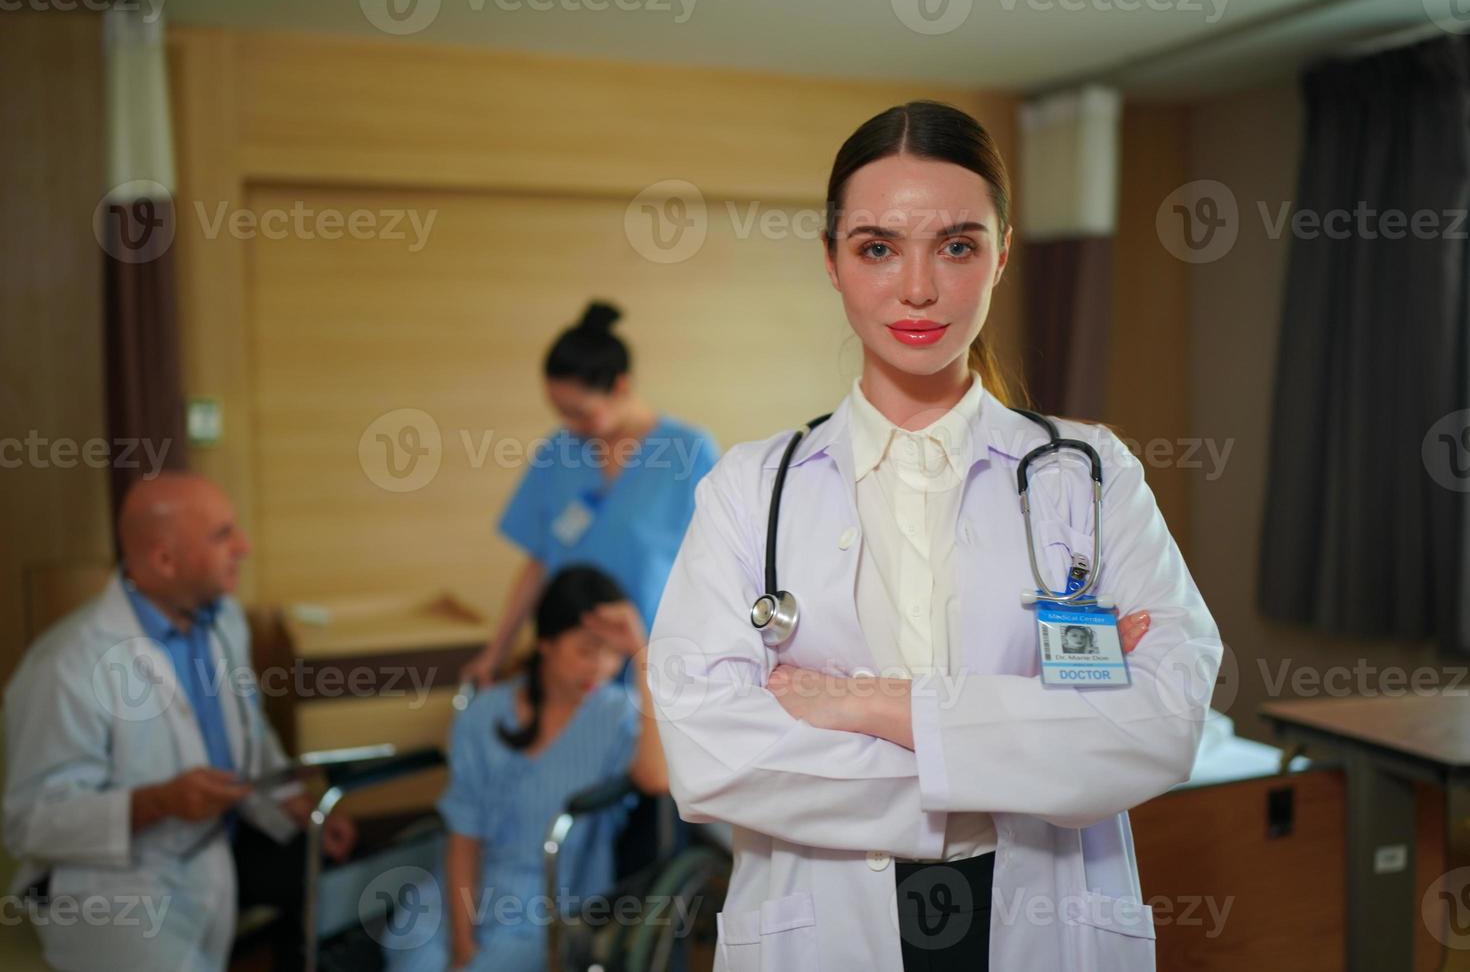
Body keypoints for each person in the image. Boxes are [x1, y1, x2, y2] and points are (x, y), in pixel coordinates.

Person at [647, 100, 1221, 970]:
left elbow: (1165, 721)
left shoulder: (1090, 476)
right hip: (824, 926)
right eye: (878, 247)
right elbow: (711, 752)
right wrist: (1026, 757)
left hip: (1042, 917)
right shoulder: (748, 490)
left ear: (1001, 254)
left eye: (957, 245)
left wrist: (871, 706)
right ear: (833, 262)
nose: (918, 288)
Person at [2, 472, 356, 971]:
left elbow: (250, 731)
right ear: (164, 560)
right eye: (222, 535)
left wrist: (295, 805)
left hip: (217, 838)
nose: (244, 546)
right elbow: (28, 823)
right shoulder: (67, 665)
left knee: (349, 883)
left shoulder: (222, 621)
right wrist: (157, 802)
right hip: (112, 878)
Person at [386, 566, 666, 971]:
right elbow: (464, 837)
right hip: (463, 893)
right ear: (546, 643)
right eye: (586, 651)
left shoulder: (618, 714)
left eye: (612, 653)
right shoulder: (484, 715)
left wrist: (642, 653)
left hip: (553, 905)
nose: (600, 667)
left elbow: (655, 778)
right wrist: (463, 945)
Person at [460, 302, 719, 687]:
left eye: (579, 411)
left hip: (655, 662)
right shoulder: (559, 451)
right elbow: (538, 561)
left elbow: (716, 572)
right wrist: (496, 652)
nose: (569, 425)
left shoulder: (690, 452)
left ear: (620, 386)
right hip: (571, 666)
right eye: (559, 411)